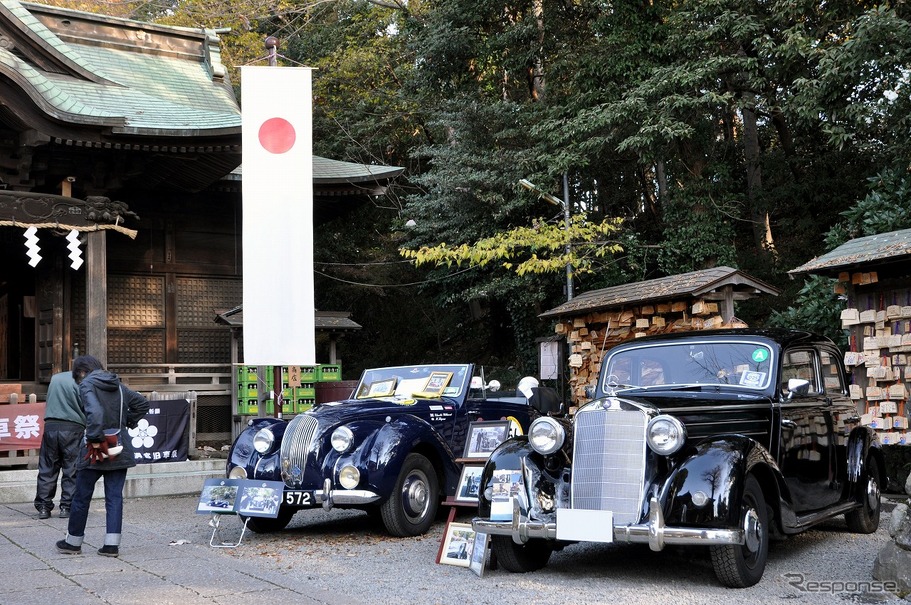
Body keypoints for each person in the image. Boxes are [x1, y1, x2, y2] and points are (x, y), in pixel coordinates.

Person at [55, 355, 149, 557]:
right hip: (119, 446)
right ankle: (111, 545)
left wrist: (97, 438)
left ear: (81, 372)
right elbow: (142, 404)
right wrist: (127, 423)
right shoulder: (118, 385)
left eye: (77, 377)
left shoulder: (87, 384)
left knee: (81, 496)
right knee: (114, 497)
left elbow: (95, 413)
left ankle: (73, 542)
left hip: (95, 449)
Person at [34, 369, 85, 520]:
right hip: (73, 427)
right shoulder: (81, 380)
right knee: (71, 469)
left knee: (47, 468)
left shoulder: (55, 379)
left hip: (51, 426)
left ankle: (43, 507)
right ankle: (66, 507)